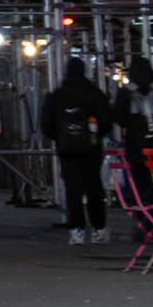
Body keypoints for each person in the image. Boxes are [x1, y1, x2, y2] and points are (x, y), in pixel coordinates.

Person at [40, 57, 111, 245]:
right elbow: (106, 120)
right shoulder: (94, 93)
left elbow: (46, 125)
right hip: (91, 148)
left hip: (67, 150)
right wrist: (96, 135)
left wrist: (61, 137)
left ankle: (77, 231)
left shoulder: (57, 95)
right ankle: (98, 229)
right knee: (94, 188)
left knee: (73, 190)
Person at [114, 56, 153, 235]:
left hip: (136, 150)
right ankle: (152, 227)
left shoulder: (126, 92)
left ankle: (141, 223)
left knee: (139, 189)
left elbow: (119, 118)